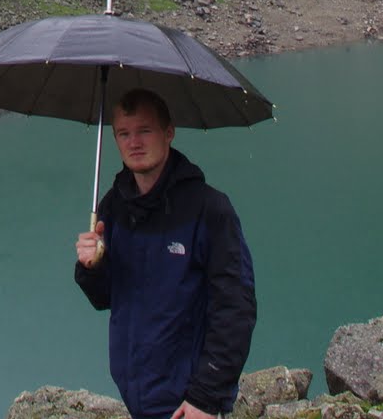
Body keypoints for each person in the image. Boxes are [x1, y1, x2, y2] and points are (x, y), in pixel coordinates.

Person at [74, 88, 257, 419]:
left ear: (168, 132)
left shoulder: (209, 209)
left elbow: (235, 309)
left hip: (189, 402)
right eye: (124, 134)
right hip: (137, 394)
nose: (134, 143)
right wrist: (92, 266)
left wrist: (206, 397)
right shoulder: (114, 208)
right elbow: (106, 297)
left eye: (145, 130)